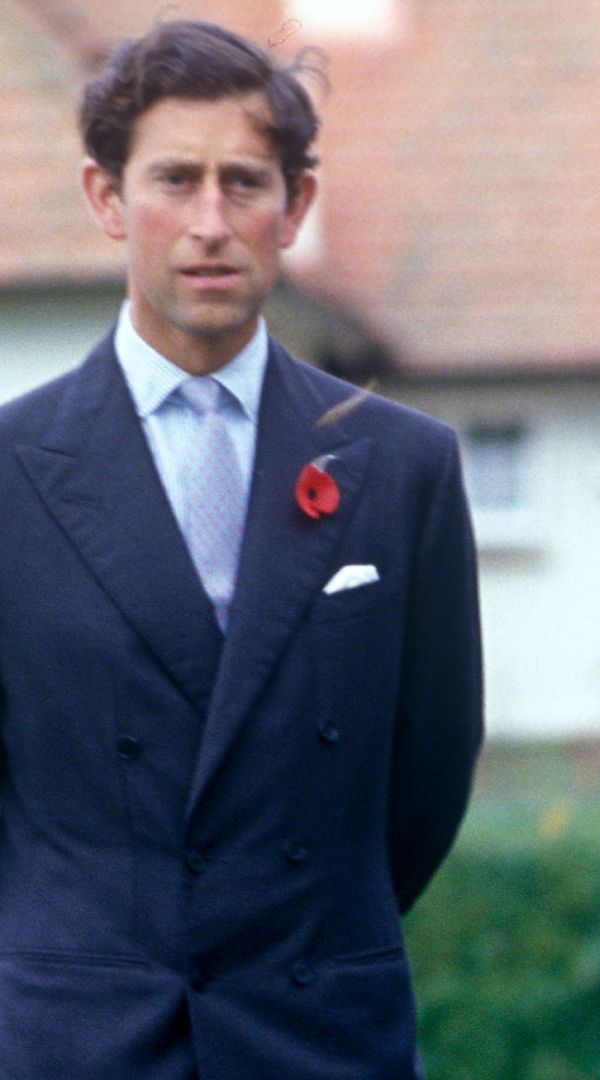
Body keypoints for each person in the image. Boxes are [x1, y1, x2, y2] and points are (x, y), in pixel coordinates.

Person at [0, 19, 482, 1078]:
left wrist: (295, 932)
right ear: (106, 198)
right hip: (78, 1041)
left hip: (319, 1030)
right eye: (175, 180)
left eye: (245, 183)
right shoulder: (7, 468)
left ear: (295, 205)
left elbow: (430, 768)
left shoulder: (405, 468)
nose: (209, 223)